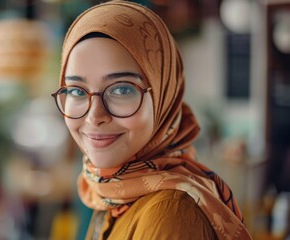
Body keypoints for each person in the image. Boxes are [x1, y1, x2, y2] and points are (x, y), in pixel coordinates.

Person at [51, 1, 252, 239]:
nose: (95, 117)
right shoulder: (112, 192)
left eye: (122, 90)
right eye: (75, 90)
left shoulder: (171, 213)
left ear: (163, 96)